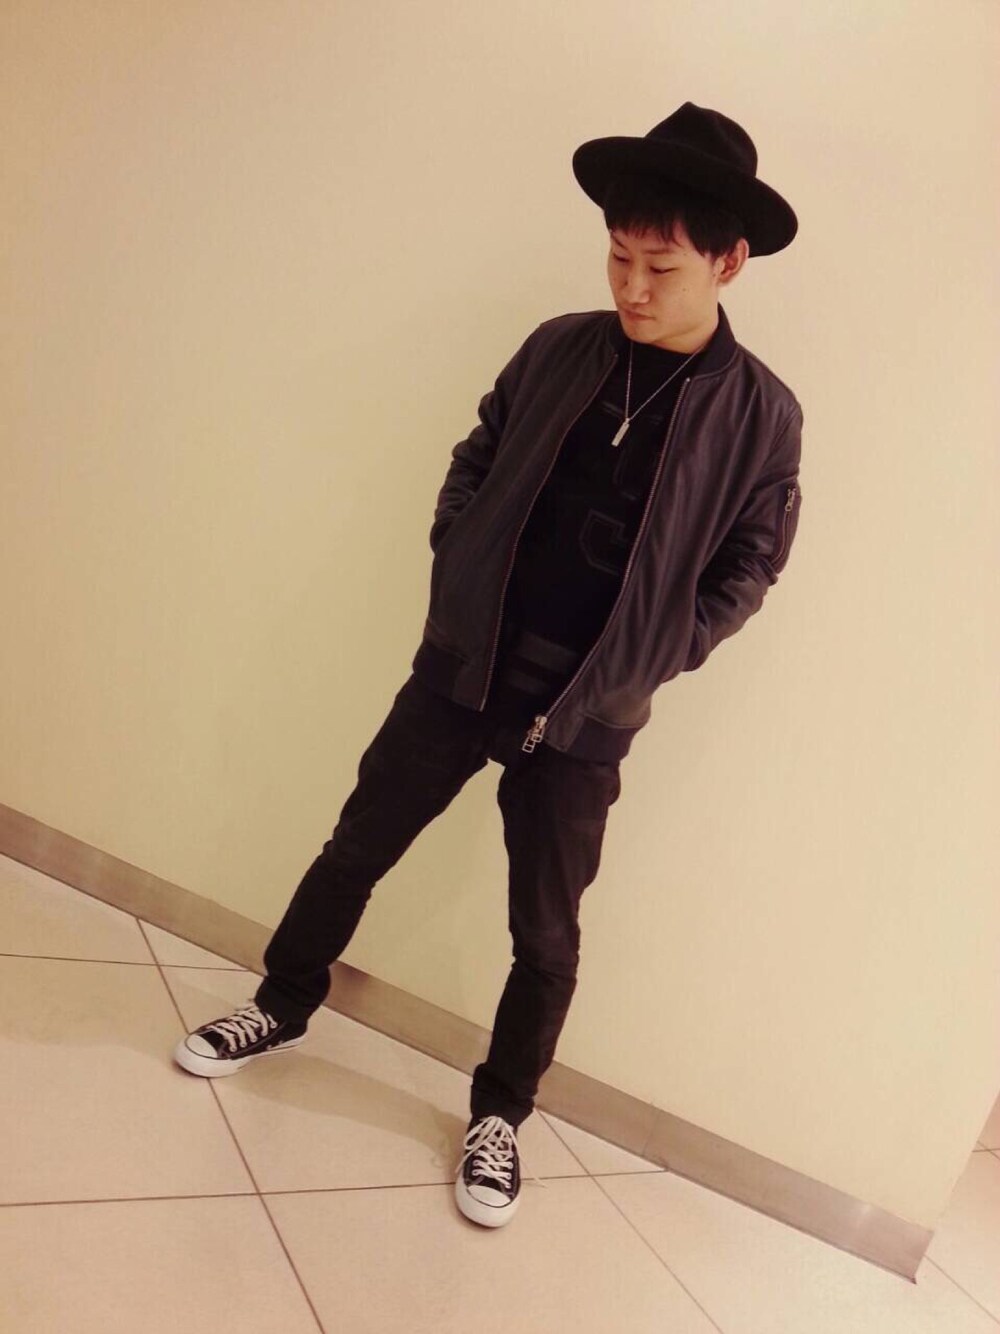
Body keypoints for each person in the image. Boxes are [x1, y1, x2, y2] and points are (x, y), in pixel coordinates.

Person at [173, 102, 803, 1229]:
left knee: (545, 936)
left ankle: (501, 1114)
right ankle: (279, 1002)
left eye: (660, 266)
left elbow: (751, 565)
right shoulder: (559, 346)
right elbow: (477, 450)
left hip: (588, 714)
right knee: (355, 846)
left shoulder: (762, 416)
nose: (632, 287)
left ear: (728, 262)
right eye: (617, 257)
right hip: (463, 669)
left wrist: (664, 650)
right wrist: (456, 553)